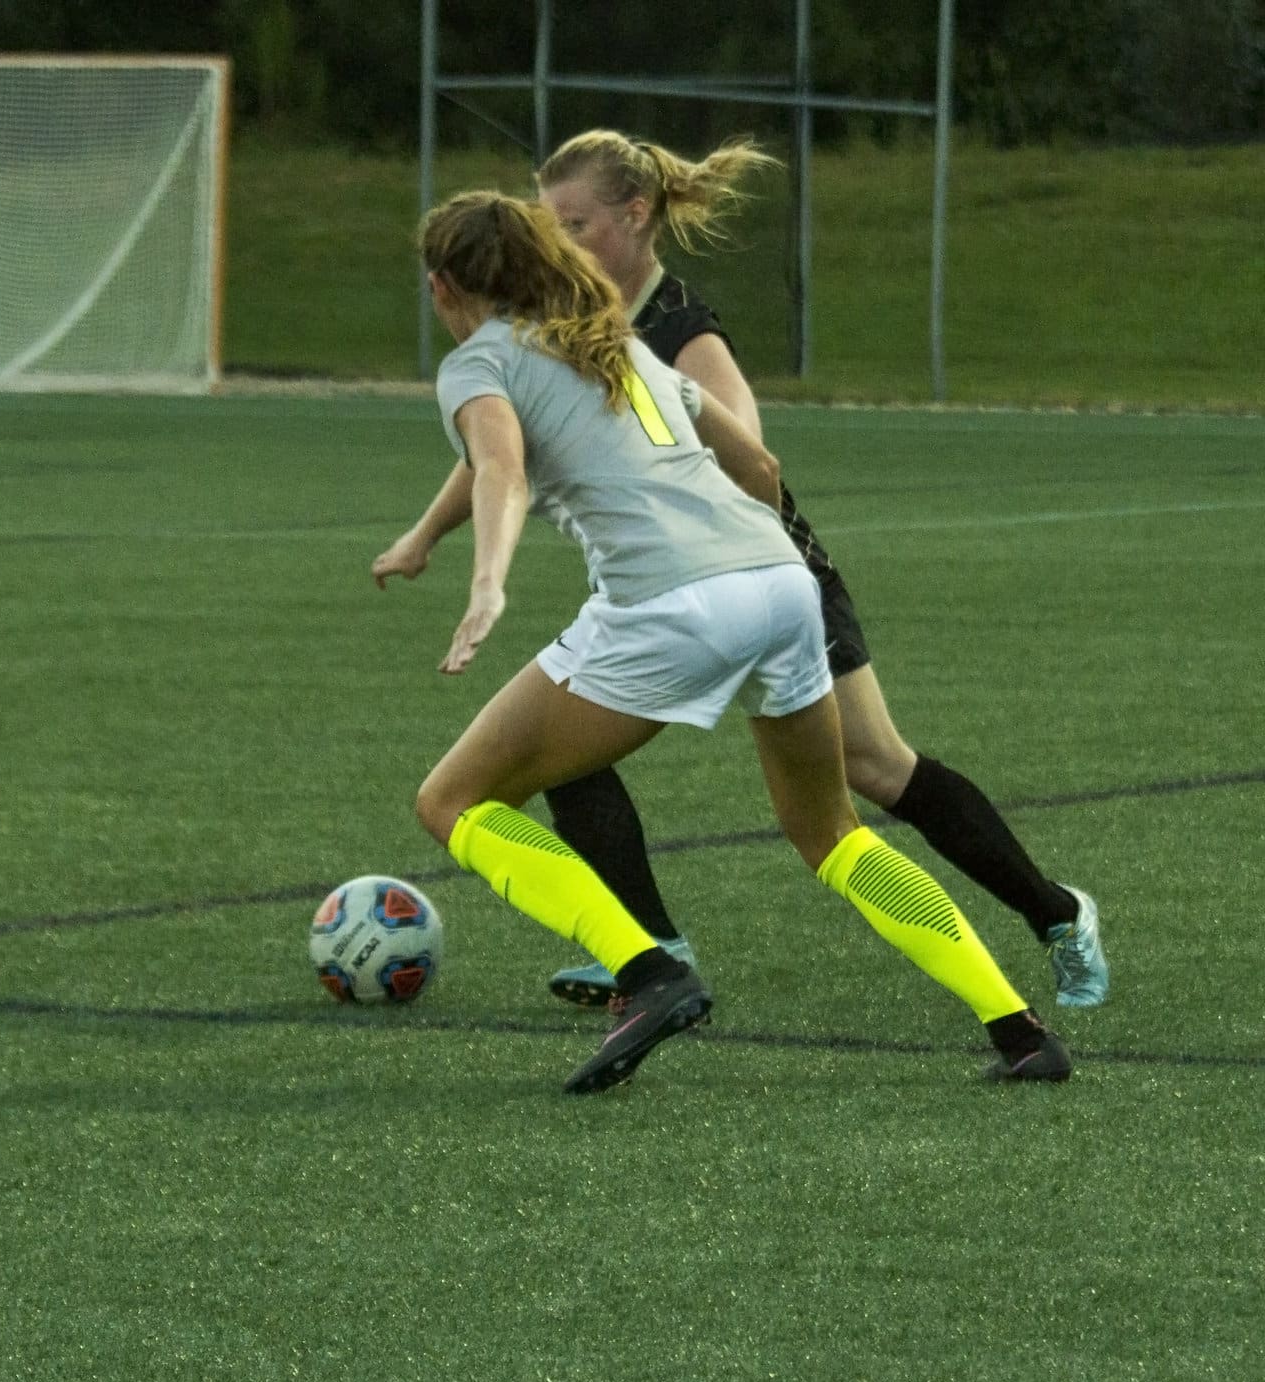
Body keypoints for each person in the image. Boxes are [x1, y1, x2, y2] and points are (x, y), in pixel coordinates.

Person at [383, 129, 1111, 1016]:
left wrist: (509, 573)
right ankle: (657, 946)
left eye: (575, 221)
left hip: (754, 561)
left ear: (634, 215)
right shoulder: (568, 327)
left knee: (877, 769)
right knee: (573, 746)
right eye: (550, 225)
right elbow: (503, 447)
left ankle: (1057, 912)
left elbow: (747, 459)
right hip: (723, 577)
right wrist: (426, 536)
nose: (562, 240)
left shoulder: (672, 324)